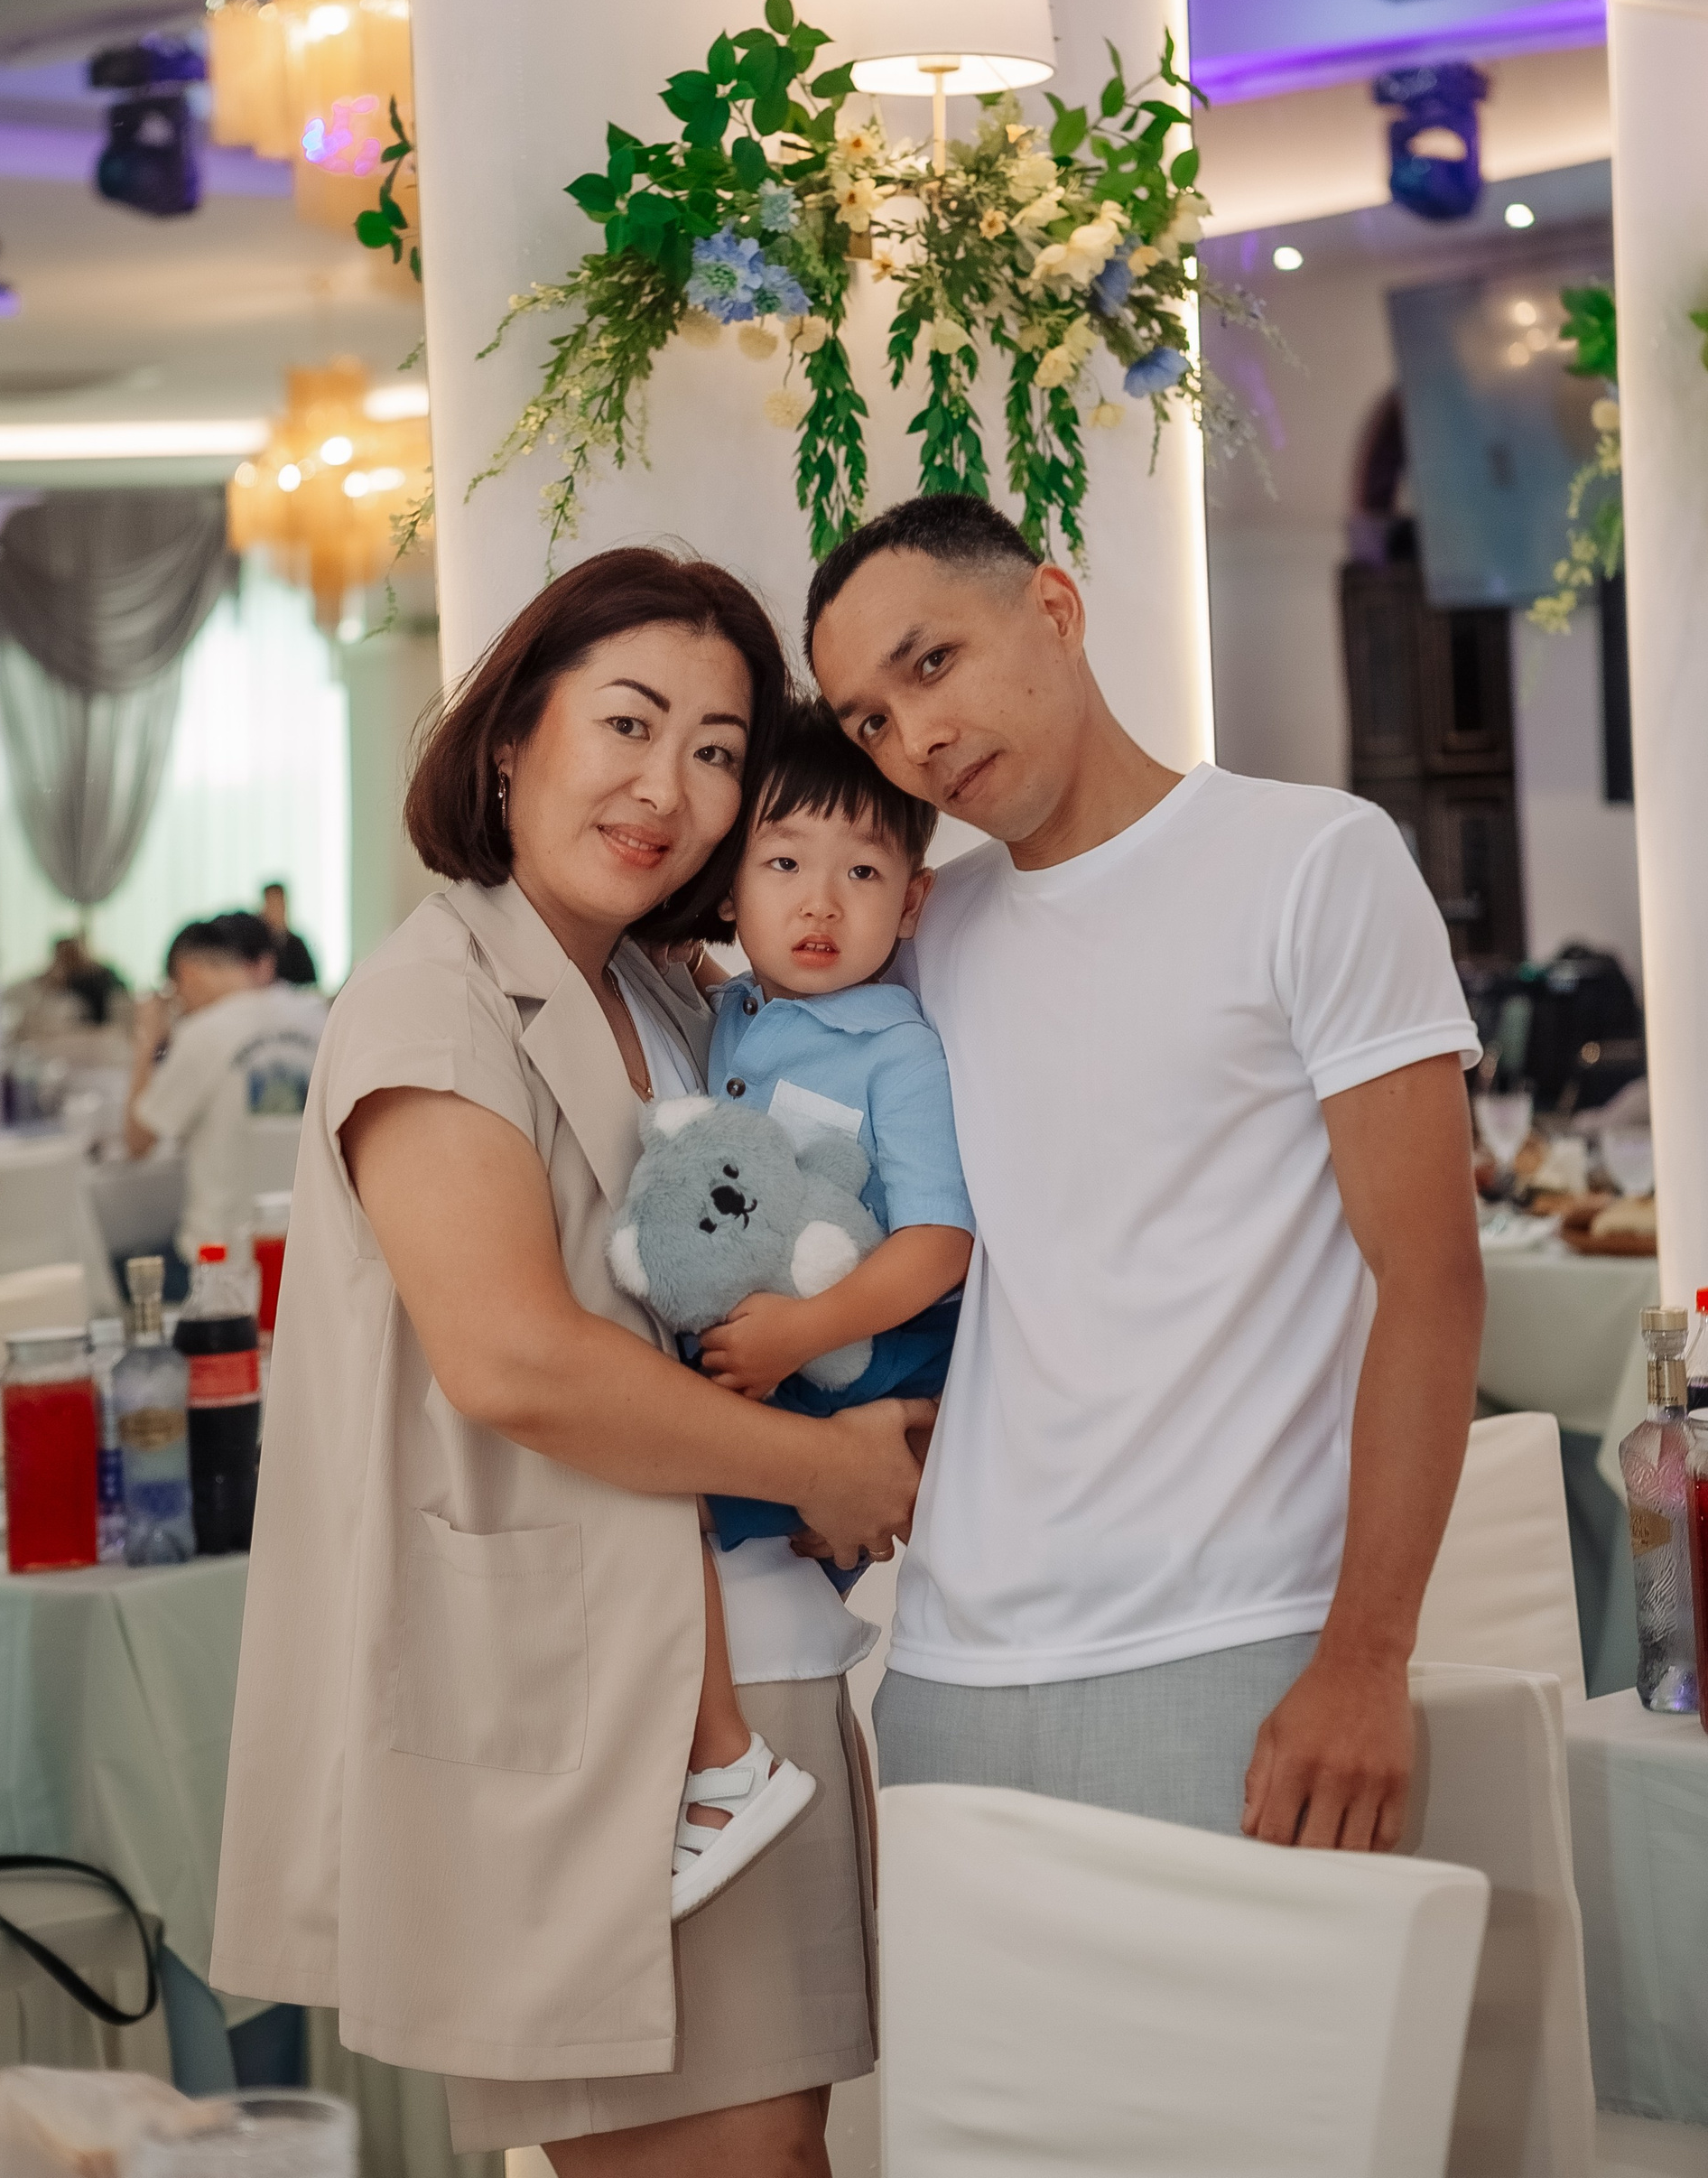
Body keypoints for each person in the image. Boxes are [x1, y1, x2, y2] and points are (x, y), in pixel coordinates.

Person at [209, 548, 933, 2178]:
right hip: (598, 1708)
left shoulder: (672, 996)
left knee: (786, 2146)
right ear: (511, 736)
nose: (668, 787)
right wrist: (827, 1468)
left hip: (749, 1663)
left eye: (717, 750)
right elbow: (517, 1362)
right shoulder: (433, 1007)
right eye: (628, 722)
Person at [805, 493, 1485, 1855]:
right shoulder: (926, 938)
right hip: (947, 1669)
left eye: (932, 662)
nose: (915, 737)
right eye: (869, 720)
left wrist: (1367, 1655)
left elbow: (1434, 1279)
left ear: (1054, 610)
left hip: (1236, 1642)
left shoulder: (1313, 862)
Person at [664, 700, 974, 1922]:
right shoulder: (729, 1011)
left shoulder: (896, 1048)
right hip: (775, 1365)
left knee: (666, 1507)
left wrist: (800, 1331)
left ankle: (727, 1771)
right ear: (731, 886)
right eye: (784, 864)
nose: (820, 904)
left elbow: (940, 1243)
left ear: (912, 901)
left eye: (863, 873)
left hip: (858, 1353)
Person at [126, 911, 327, 1270]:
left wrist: (147, 1039)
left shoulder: (203, 1033)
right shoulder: (318, 1017)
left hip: (222, 1255)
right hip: (308, 1250)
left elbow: (138, 1141)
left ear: (187, 972)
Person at [259, 881, 319, 986]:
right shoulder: (259, 945)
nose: (275, 910)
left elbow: (310, 982)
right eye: (271, 904)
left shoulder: (296, 944)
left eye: (279, 904)